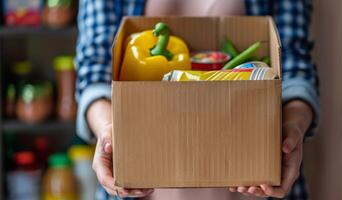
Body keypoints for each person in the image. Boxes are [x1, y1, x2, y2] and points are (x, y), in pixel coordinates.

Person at [75, 0, 320, 199]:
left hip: (255, 187)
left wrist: (292, 128)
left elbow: (295, 68)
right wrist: (109, 131)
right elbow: (94, 73)